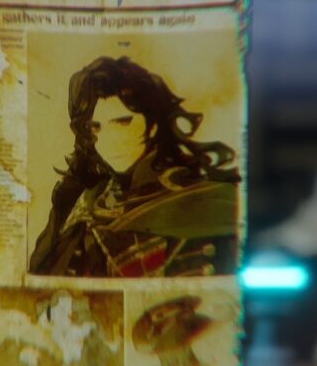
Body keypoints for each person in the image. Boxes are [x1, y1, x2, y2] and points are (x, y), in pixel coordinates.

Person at [29, 56, 241, 278]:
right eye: (96, 127)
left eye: (122, 122)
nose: (109, 139)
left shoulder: (207, 200)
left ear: (153, 124)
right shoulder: (82, 204)